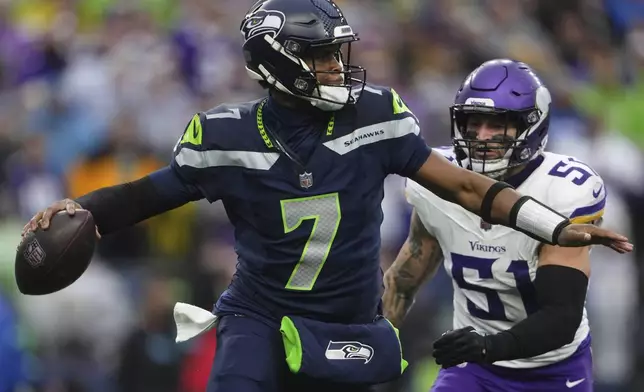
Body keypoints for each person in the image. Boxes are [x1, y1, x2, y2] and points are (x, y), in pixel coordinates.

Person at [23, 1, 630, 391]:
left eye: (338, 53)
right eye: (320, 55)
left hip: (347, 322)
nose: (339, 67)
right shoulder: (225, 136)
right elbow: (148, 194)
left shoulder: (377, 118)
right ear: (278, 63)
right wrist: (88, 211)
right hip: (259, 313)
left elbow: (470, 187)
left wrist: (554, 227)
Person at [383, 59, 614, 392]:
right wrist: (374, 345)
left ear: (531, 127)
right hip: (474, 368)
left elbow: (562, 317)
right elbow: (405, 280)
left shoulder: (563, 190)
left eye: (497, 125)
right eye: (473, 123)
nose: (481, 137)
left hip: (552, 368)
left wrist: (488, 346)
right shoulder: (435, 182)